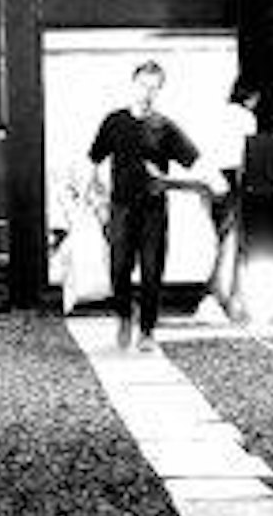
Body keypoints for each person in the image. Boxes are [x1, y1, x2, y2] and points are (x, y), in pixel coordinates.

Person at [84, 60, 199, 351]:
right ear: (133, 84)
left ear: (159, 90)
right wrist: (95, 200)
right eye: (143, 85)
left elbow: (192, 160)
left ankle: (147, 329)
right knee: (120, 267)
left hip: (153, 209)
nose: (147, 92)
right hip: (121, 205)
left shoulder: (164, 126)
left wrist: (203, 182)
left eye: (154, 87)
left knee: (151, 269)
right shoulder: (114, 122)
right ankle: (124, 316)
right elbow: (92, 162)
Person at [194, 70, 262, 322]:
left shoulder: (218, 114)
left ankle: (223, 299)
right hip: (233, 178)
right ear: (252, 97)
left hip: (211, 181)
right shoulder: (247, 118)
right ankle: (215, 298)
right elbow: (248, 155)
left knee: (221, 239)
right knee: (230, 242)